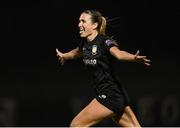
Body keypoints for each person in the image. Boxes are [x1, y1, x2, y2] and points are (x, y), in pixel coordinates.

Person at [56, 9, 150, 127]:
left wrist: (133, 58)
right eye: (79, 21)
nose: (79, 24)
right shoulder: (84, 44)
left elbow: (119, 54)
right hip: (115, 95)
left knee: (76, 125)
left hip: (109, 95)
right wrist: (64, 56)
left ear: (94, 25)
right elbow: (75, 53)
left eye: (83, 21)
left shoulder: (104, 41)